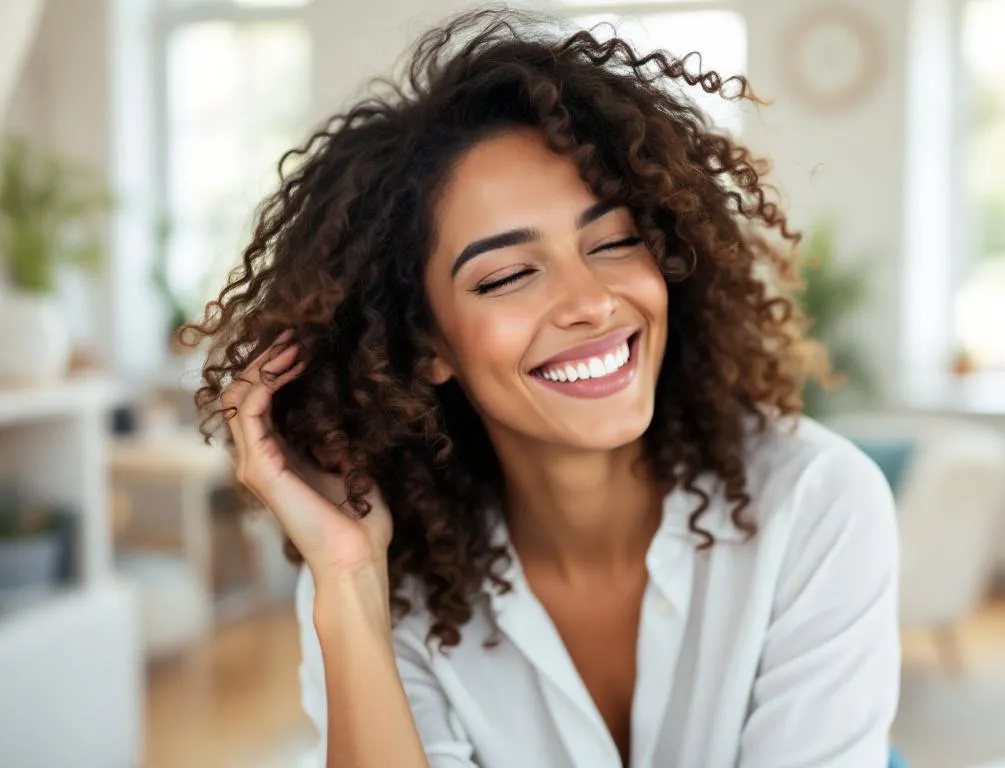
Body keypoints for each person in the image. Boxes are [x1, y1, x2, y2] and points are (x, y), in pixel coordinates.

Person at [191, 8, 899, 767]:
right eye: (506, 275)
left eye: (615, 241)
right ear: (428, 345)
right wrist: (349, 582)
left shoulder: (815, 502)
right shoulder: (376, 569)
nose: (591, 300)